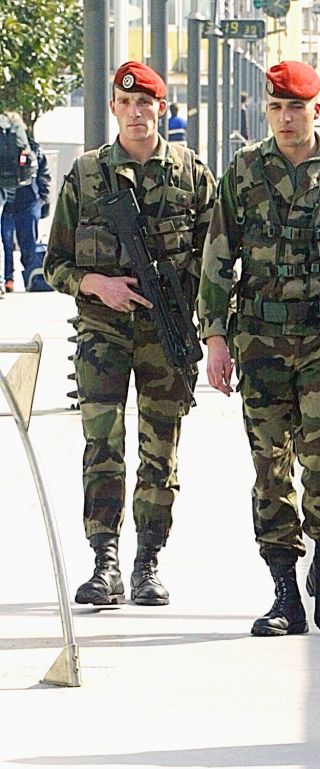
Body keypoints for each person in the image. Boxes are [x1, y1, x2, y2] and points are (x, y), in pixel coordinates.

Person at [198, 60, 320, 637]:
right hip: (258, 340)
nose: (286, 118)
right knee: (269, 467)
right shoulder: (243, 173)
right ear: (268, 110)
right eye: (277, 107)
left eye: (296, 108)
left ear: (317, 111)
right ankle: (285, 590)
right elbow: (217, 257)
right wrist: (214, 336)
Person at [44, 61, 216, 607]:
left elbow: (217, 263)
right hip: (103, 331)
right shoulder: (87, 174)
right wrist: (96, 283)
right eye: (127, 104)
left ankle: (147, 562)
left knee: (160, 451)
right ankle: (105, 561)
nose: (137, 112)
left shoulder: (192, 175)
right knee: (103, 444)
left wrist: (215, 333)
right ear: (114, 109)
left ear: (160, 109)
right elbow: (55, 265)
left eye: (147, 102)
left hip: (166, 336)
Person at [1, 135, 50, 292]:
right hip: (6, 204)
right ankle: (8, 279)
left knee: (28, 242)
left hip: (28, 202)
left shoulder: (32, 149)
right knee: (6, 243)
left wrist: (44, 197)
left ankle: (32, 277)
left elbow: (43, 172)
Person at [0, 110, 36, 297]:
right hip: (15, 192)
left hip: (8, 197)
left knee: (5, 239)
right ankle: (11, 279)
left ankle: (6, 279)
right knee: (21, 240)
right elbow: (34, 164)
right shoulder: (17, 134)